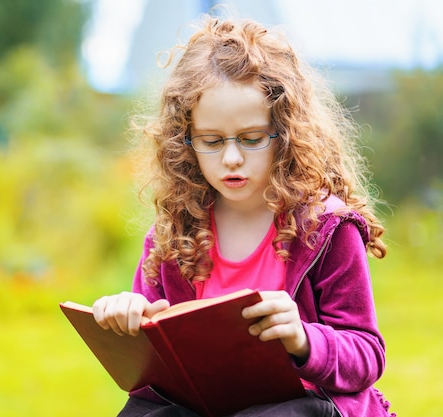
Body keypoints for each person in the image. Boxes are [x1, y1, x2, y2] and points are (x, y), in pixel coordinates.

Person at [92, 14, 395, 417]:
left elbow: (366, 355)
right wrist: (128, 316)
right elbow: (153, 356)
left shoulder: (326, 229)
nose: (231, 158)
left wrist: (303, 339)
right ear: (186, 141)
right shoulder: (175, 232)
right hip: (207, 402)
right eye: (212, 141)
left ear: (284, 134)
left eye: (252, 139)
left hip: (301, 404)